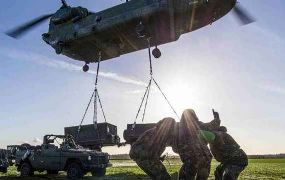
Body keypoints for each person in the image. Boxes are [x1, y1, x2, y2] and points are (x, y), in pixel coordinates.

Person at [172, 109, 213, 180]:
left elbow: (175, 148)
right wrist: (217, 118)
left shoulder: (178, 128)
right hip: (206, 159)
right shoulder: (199, 124)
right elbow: (213, 125)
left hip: (191, 161)